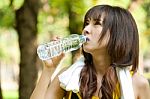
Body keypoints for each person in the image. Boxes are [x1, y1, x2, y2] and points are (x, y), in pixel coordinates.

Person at [30, 5, 150, 99]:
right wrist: (49, 69)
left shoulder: (137, 83)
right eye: (87, 23)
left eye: (97, 23)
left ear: (117, 34)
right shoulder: (68, 77)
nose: (86, 29)